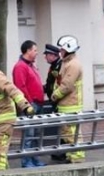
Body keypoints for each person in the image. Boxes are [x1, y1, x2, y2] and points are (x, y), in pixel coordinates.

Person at [50, 35, 85, 164]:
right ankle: (72, 156)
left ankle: (77, 157)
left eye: (62, 49)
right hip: (66, 104)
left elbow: (67, 85)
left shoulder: (73, 64)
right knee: (68, 133)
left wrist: (55, 95)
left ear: (68, 49)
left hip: (71, 104)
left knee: (72, 133)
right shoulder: (67, 63)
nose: (60, 52)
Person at [12, 40, 47, 168]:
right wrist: (29, 103)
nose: (37, 53)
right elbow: (20, 86)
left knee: (36, 134)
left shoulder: (30, 65)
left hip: (37, 103)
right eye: (35, 50)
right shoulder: (20, 66)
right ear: (28, 51)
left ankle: (35, 159)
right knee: (29, 134)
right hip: (30, 105)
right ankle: (26, 161)